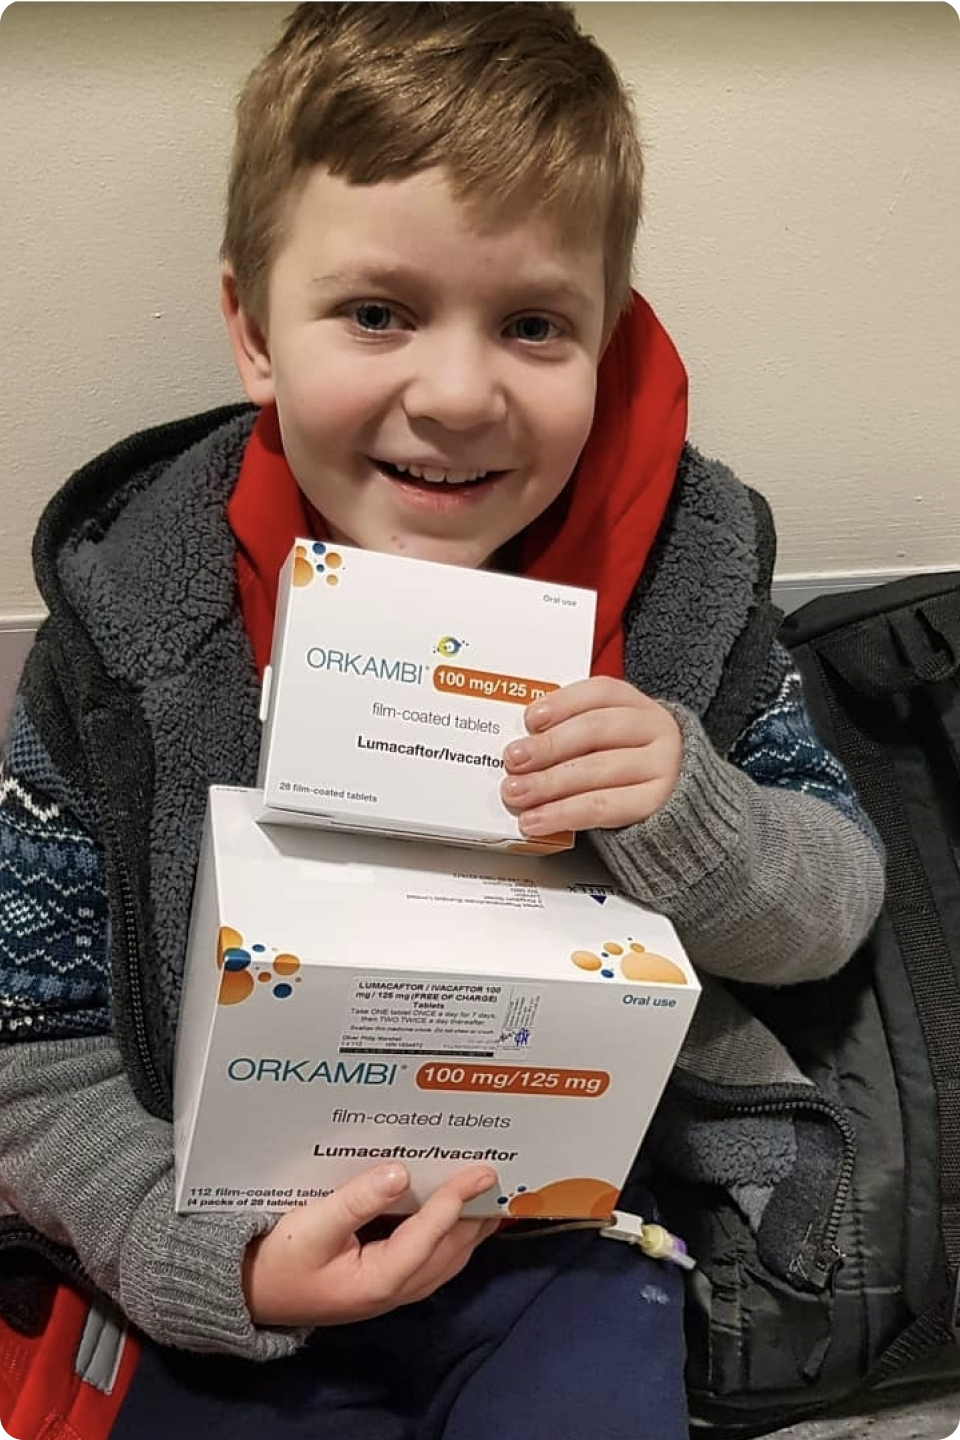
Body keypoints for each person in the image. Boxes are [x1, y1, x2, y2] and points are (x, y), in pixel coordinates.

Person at [0, 4, 885, 1436]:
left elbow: (834, 902)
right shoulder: (133, 630)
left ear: (609, 332)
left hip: (565, 1251)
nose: (460, 394)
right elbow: (27, 1051)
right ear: (252, 330)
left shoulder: (683, 583)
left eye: (533, 325)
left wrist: (692, 814)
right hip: (237, 1254)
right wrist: (209, 1261)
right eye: (377, 313)